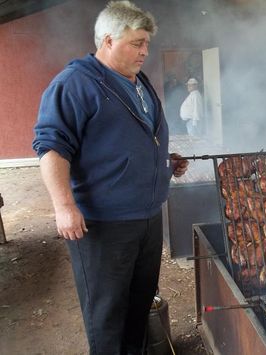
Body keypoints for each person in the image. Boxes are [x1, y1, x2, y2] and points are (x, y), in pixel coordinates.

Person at [32, 1, 189, 354]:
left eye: (146, 43)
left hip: (147, 218)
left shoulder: (139, 82)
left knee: (139, 302)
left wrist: (163, 160)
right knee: (107, 313)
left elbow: (133, 138)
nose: (144, 52)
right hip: (104, 223)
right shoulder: (76, 83)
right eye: (136, 43)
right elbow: (51, 148)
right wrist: (64, 206)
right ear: (107, 40)